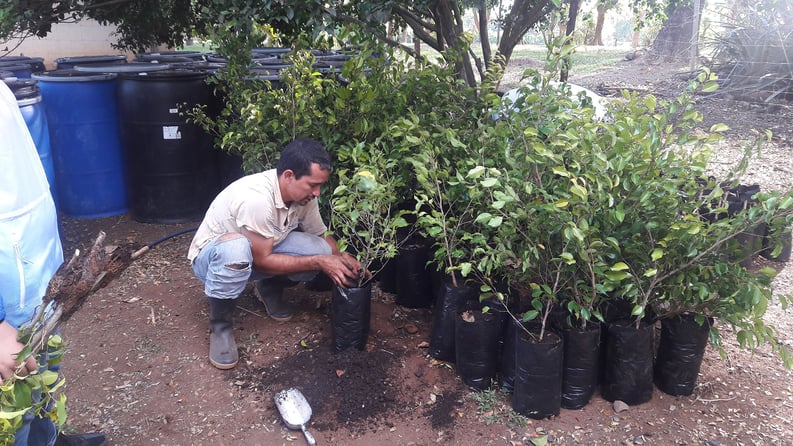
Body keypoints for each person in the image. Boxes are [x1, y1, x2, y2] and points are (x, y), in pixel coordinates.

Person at [188, 138, 365, 370]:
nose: (317, 192)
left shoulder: (304, 196)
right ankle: (220, 326)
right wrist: (321, 262)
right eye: (313, 185)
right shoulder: (256, 199)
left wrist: (342, 257)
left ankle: (268, 288)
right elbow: (262, 260)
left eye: (320, 185)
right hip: (214, 260)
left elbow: (320, 234)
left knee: (320, 249)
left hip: (259, 251)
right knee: (236, 249)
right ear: (289, 175)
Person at [0, 81, 106, 445]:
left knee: (44, 367)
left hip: (33, 256)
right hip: (7, 277)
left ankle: (47, 439)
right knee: (12, 396)